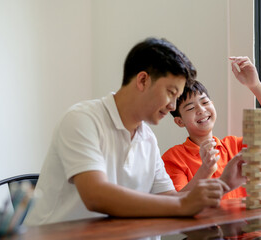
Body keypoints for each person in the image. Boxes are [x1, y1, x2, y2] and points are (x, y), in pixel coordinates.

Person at [24, 38, 246, 226]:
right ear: (142, 80)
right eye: (170, 93)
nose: (172, 106)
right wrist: (182, 204)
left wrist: (224, 183)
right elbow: (95, 195)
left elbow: (171, 198)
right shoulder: (82, 120)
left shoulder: (147, 138)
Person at [162, 56, 261, 199]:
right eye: (191, 108)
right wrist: (206, 170)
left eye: (204, 102)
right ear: (180, 121)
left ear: (213, 105)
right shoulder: (173, 158)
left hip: (246, 220)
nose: (201, 110)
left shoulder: (234, 146)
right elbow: (177, 203)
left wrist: (255, 85)